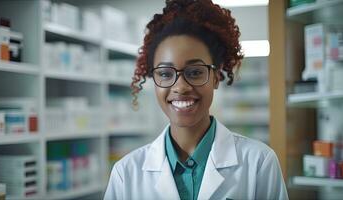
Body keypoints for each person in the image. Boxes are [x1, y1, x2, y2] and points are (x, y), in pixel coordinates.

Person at [104, 0, 288, 199]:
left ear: (216, 78)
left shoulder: (259, 163)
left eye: (195, 72)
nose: (181, 86)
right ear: (154, 81)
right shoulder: (126, 173)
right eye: (165, 74)